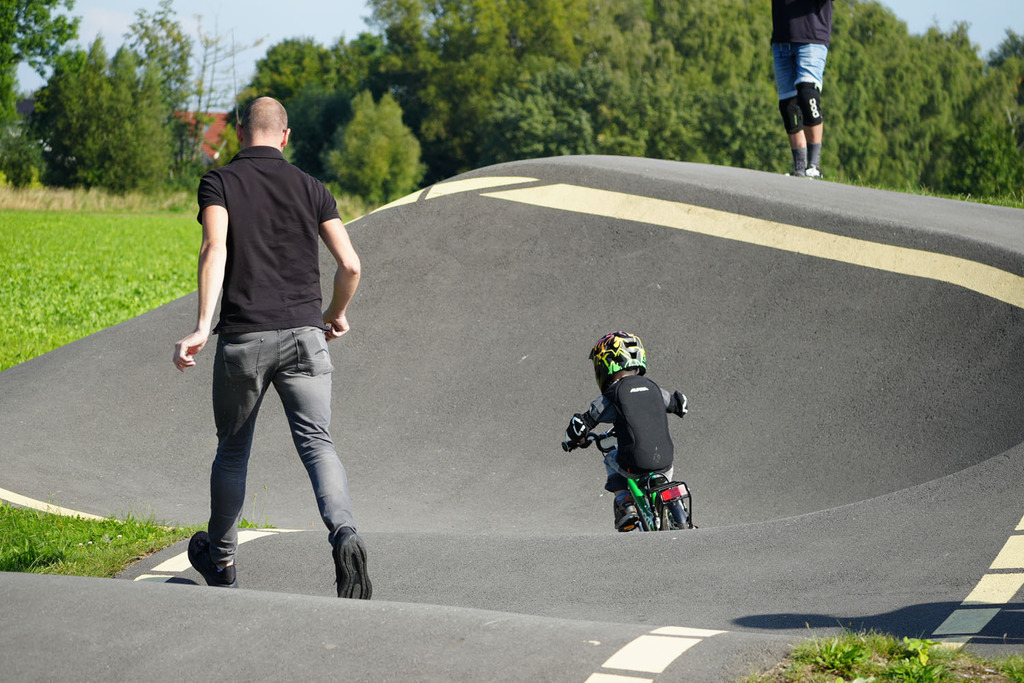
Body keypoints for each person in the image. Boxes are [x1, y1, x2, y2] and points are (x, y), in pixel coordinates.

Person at [172, 96, 371, 599]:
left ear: (241, 132)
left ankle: (220, 561)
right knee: (318, 444)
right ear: (285, 136)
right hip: (306, 337)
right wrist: (333, 314)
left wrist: (201, 325)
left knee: (233, 452)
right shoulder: (311, 187)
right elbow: (350, 265)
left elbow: (214, 248)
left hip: (243, 338)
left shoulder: (218, 182)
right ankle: (345, 533)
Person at [563, 332, 689, 531]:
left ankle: (625, 504)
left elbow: (586, 421)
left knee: (611, 458)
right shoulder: (653, 387)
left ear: (606, 364)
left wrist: (572, 438)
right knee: (667, 480)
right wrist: (680, 405)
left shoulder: (613, 394)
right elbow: (676, 403)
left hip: (633, 464)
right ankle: (678, 510)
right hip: (665, 462)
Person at [771, 0, 833, 178]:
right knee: (788, 105)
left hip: (812, 37)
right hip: (782, 37)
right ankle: (800, 166)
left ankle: (814, 166)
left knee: (808, 95)